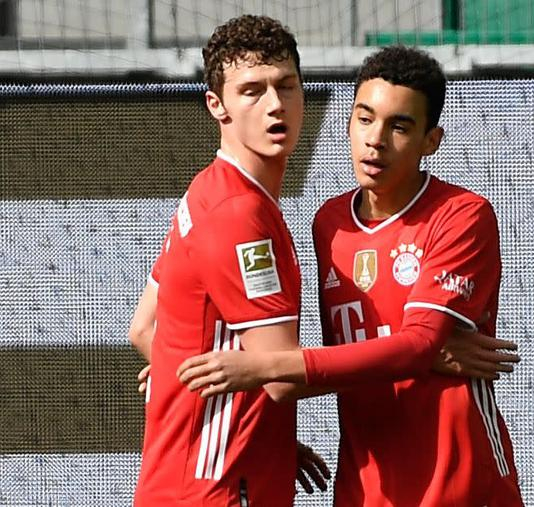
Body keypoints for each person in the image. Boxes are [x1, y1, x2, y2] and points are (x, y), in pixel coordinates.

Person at [176, 46, 524, 506]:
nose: (375, 140)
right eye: (364, 119)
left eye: (400, 126)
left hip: (458, 479)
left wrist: (264, 367)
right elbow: (389, 351)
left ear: (431, 141)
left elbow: (418, 343)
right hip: (364, 484)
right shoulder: (330, 223)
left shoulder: (462, 215)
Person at [132, 14, 319, 506]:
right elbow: (279, 377)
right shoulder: (238, 213)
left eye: (287, 86)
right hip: (220, 491)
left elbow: (145, 328)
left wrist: (255, 428)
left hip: (192, 483)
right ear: (217, 105)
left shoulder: (209, 189)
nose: (275, 104)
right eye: (252, 91)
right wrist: (415, 355)